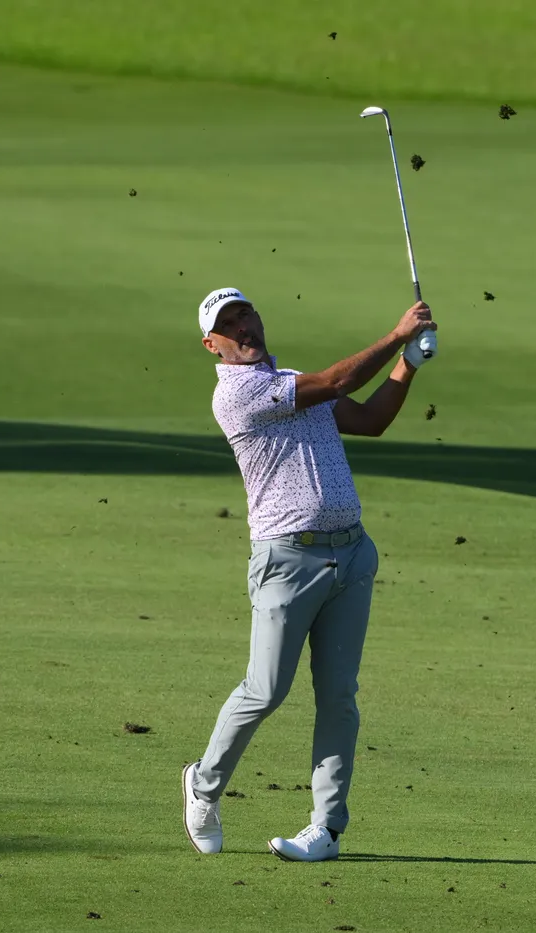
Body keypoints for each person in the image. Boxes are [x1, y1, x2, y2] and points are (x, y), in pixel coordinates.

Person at [181, 286, 436, 861]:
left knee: (339, 696)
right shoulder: (238, 394)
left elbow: (370, 420)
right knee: (265, 690)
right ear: (211, 345)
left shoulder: (294, 381)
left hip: (352, 556)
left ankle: (327, 828)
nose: (243, 328)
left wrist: (408, 364)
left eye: (246, 315)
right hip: (287, 562)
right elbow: (339, 382)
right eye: (228, 324)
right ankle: (203, 785)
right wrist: (397, 334)